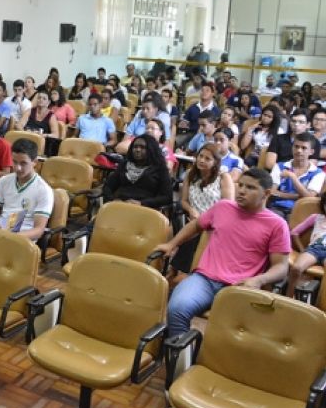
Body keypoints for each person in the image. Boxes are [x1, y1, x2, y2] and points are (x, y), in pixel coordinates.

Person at [155, 168, 290, 338]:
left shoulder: (277, 224)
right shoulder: (223, 207)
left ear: (267, 193)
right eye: (240, 185)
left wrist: (259, 280)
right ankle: (181, 351)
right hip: (204, 279)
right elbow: (196, 225)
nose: (242, 191)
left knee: (235, 330)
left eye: (250, 187)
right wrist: (172, 244)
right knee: (176, 309)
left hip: (239, 286)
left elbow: (281, 267)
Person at [174, 144, 235, 274]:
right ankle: (180, 271)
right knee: (192, 230)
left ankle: (182, 271)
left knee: (196, 233)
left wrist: (208, 219)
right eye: (200, 156)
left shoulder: (223, 177)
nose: (201, 160)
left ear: (215, 162)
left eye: (207, 159)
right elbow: (184, 201)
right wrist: (191, 210)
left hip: (215, 223)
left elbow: (228, 208)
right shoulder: (190, 174)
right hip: (194, 219)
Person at [0, 139, 54, 242]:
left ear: (35, 162)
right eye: (14, 162)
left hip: (22, 240)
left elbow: (39, 230)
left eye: (23, 163)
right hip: (0, 232)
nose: (18, 168)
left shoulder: (44, 190)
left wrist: (10, 236)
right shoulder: (4, 181)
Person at [103, 135, 173, 209]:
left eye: (142, 147)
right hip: (118, 205)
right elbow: (107, 187)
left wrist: (142, 203)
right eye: (135, 147)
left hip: (144, 209)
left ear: (150, 150)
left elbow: (167, 197)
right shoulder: (124, 165)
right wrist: (113, 200)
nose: (138, 150)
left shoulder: (160, 169)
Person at [268, 133, 324, 217]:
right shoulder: (279, 166)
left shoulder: (318, 173)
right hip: (277, 208)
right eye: (296, 146)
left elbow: (309, 197)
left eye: (304, 148)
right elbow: (271, 192)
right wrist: (298, 196)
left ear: (311, 152)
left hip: (301, 211)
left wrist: (293, 177)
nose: (299, 150)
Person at [286, 190, 326, 297]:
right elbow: (294, 232)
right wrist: (301, 249)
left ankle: (321, 303)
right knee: (296, 268)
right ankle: (289, 297)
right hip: (314, 249)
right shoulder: (316, 217)